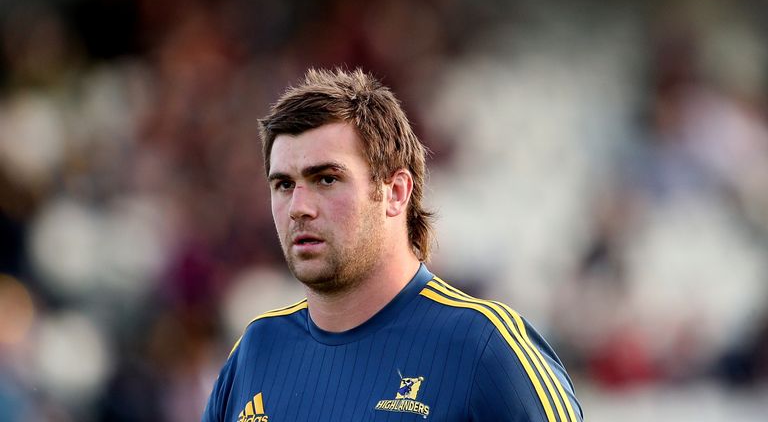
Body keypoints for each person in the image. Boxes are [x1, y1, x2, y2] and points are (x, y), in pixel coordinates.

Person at [202, 68, 583, 422]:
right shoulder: (256, 350)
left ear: (396, 192)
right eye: (284, 185)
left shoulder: (486, 348)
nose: (299, 207)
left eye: (327, 179)